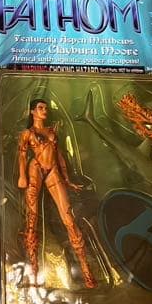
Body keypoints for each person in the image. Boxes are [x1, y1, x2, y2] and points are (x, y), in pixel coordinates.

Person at [17, 98, 96, 288]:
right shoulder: (28, 133)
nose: (44, 110)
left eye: (45, 108)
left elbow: (59, 156)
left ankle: (86, 271)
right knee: (32, 218)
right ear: (32, 112)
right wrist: (22, 176)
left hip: (52, 170)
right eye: (40, 108)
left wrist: (67, 180)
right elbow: (22, 154)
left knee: (68, 217)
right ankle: (33, 271)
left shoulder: (51, 131)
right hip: (36, 168)